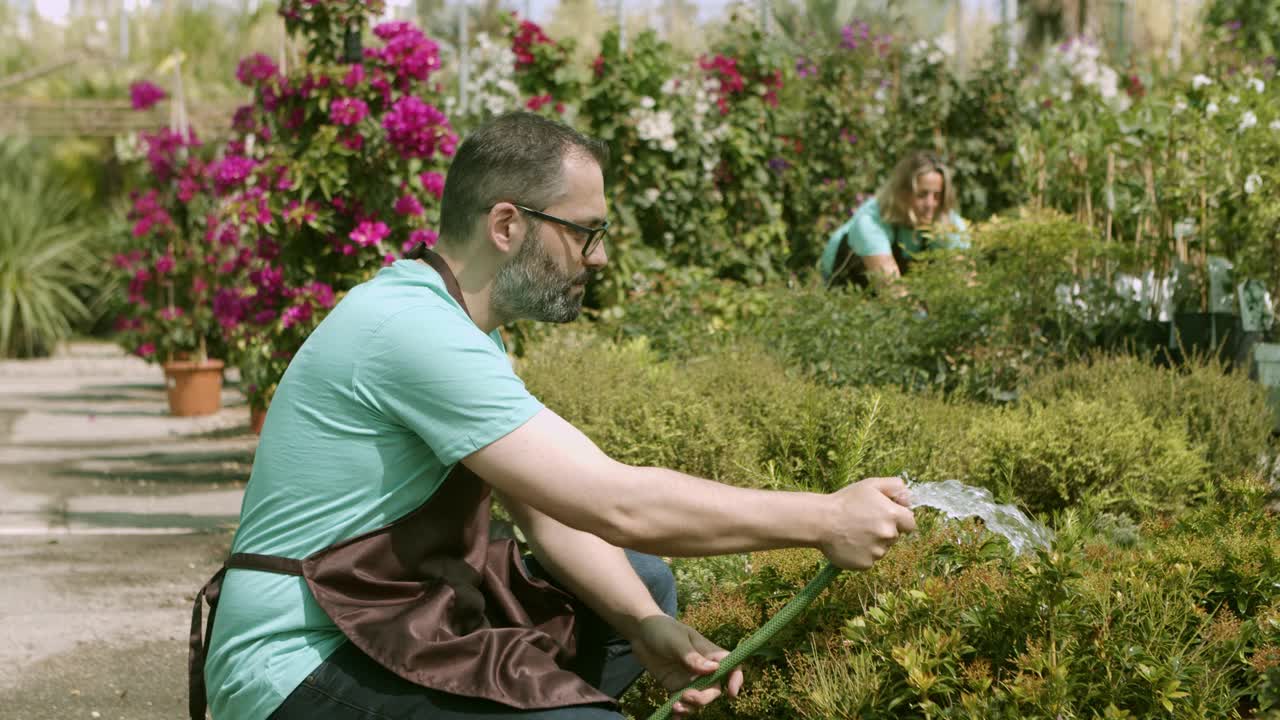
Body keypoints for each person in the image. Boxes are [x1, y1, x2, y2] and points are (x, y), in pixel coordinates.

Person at [191, 111, 915, 720]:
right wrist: (823, 519)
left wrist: (645, 626)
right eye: (584, 232)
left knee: (642, 586)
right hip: (295, 661)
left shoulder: (463, 327)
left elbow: (549, 513)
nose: (596, 258)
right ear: (507, 224)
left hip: (382, 612)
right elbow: (617, 501)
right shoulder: (411, 330)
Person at [819, 150, 969, 289]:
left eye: (937, 196)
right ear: (902, 192)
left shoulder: (951, 224)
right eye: (922, 195)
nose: (930, 204)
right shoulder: (870, 223)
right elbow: (893, 292)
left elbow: (967, 281)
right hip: (845, 289)